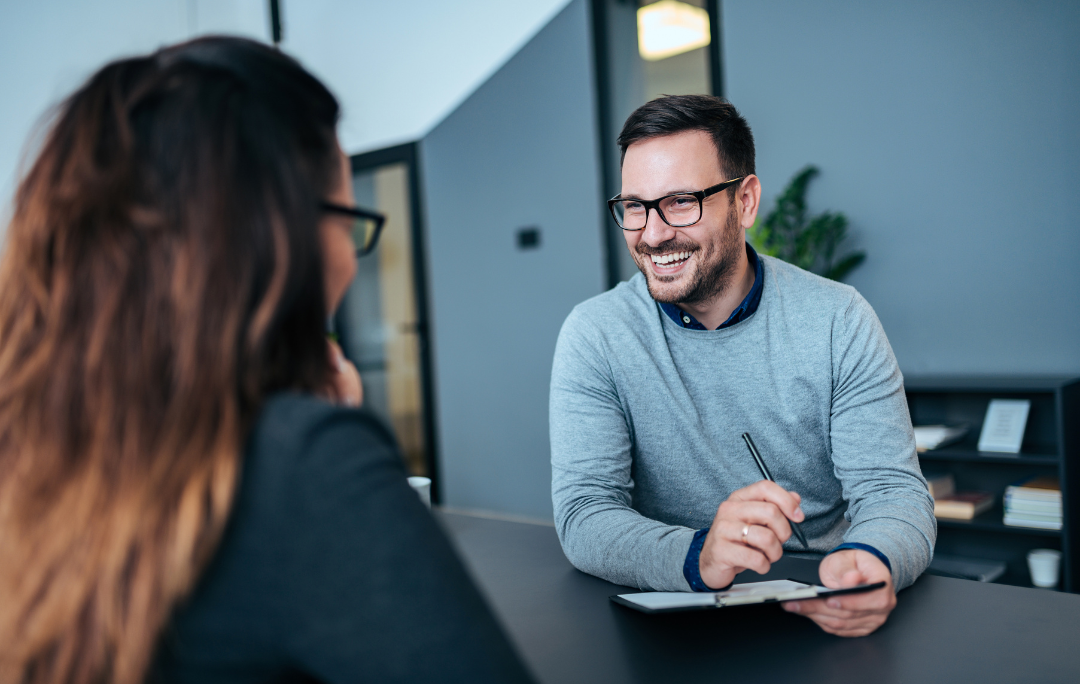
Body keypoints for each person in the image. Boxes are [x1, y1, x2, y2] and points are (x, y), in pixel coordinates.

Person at [0, 37, 534, 683]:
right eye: (347, 220)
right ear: (274, 238)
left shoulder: (30, 446)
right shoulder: (303, 465)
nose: (348, 259)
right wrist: (321, 445)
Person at [550, 95, 936, 638]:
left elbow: (893, 492)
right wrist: (700, 555)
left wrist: (872, 559)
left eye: (681, 201)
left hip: (820, 608)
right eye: (635, 206)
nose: (653, 233)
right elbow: (585, 514)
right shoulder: (596, 334)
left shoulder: (837, 318)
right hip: (671, 620)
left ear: (746, 201)